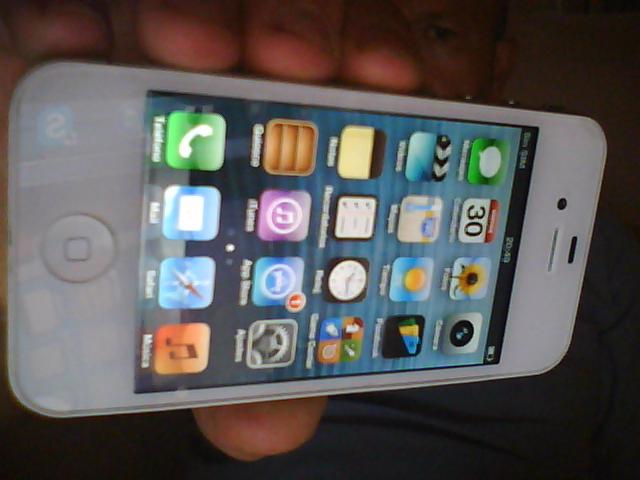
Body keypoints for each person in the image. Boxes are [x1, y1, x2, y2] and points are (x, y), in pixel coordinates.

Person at [1, 1, 638, 478]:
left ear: (497, 63)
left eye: (437, 31)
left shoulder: (606, 258)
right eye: (357, 14)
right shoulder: (248, 185)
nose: (397, 55)